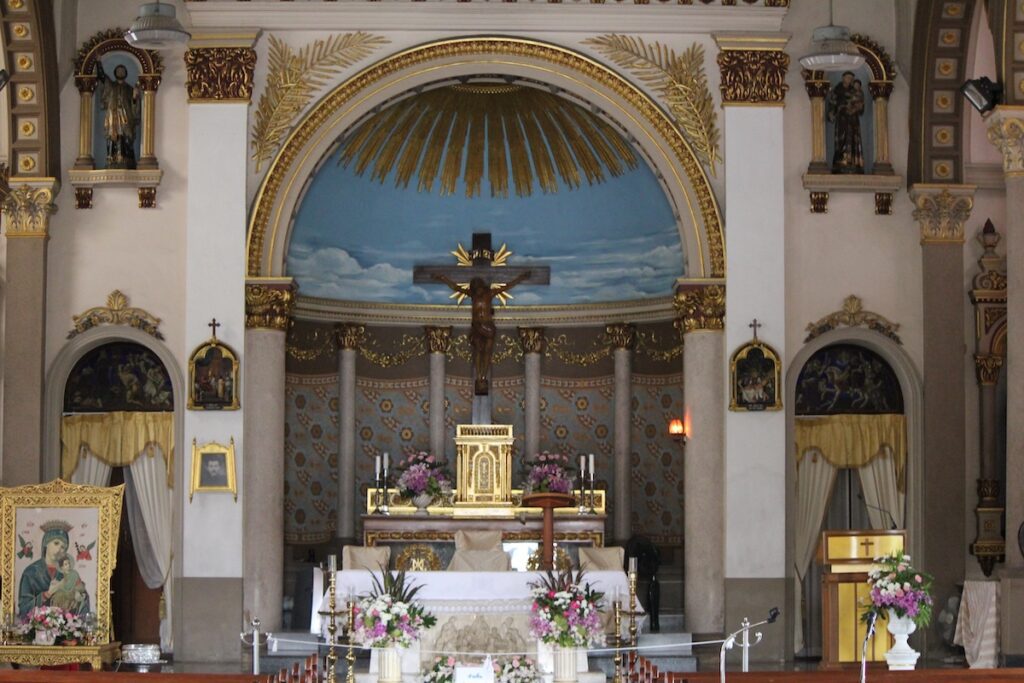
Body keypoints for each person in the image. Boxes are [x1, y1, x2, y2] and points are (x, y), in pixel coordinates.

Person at [432, 272, 531, 395]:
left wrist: (520, 278)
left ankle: (483, 376)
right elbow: (456, 288)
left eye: (478, 287)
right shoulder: (473, 296)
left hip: (488, 327)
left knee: (487, 351)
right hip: (477, 326)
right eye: (475, 288)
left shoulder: (489, 294)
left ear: (482, 287)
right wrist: (443, 278)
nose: (477, 290)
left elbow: (507, 287)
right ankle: (479, 377)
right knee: (478, 350)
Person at [18, 521, 90, 618]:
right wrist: (47, 594)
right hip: (37, 629)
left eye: (63, 547)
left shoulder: (69, 573)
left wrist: (78, 597)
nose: (60, 549)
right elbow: (23, 609)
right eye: (56, 543)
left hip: (64, 628)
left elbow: (83, 600)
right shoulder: (30, 572)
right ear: (46, 543)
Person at [96, 62, 139, 169]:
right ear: (115, 73)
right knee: (113, 137)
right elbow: (102, 77)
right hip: (113, 117)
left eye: (122, 71)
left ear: (126, 73)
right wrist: (99, 63)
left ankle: (126, 158)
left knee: (125, 137)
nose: (121, 72)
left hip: (125, 118)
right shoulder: (111, 86)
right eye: (119, 71)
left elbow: (134, 106)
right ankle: (112, 158)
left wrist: (134, 97)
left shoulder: (129, 89)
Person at [826, 71, 865, 174]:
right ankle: (841, 161)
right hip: (841, 119)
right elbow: (832, 104)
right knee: (841, 139)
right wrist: (832, 112)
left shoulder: (855, 91)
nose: (850, 80)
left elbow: (861, 107)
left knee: (852, 140)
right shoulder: (837, 90)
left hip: (853, 120)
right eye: (848, 78)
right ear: (843, 78)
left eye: (851, 79)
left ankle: (853, 162)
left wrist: (856, 107)